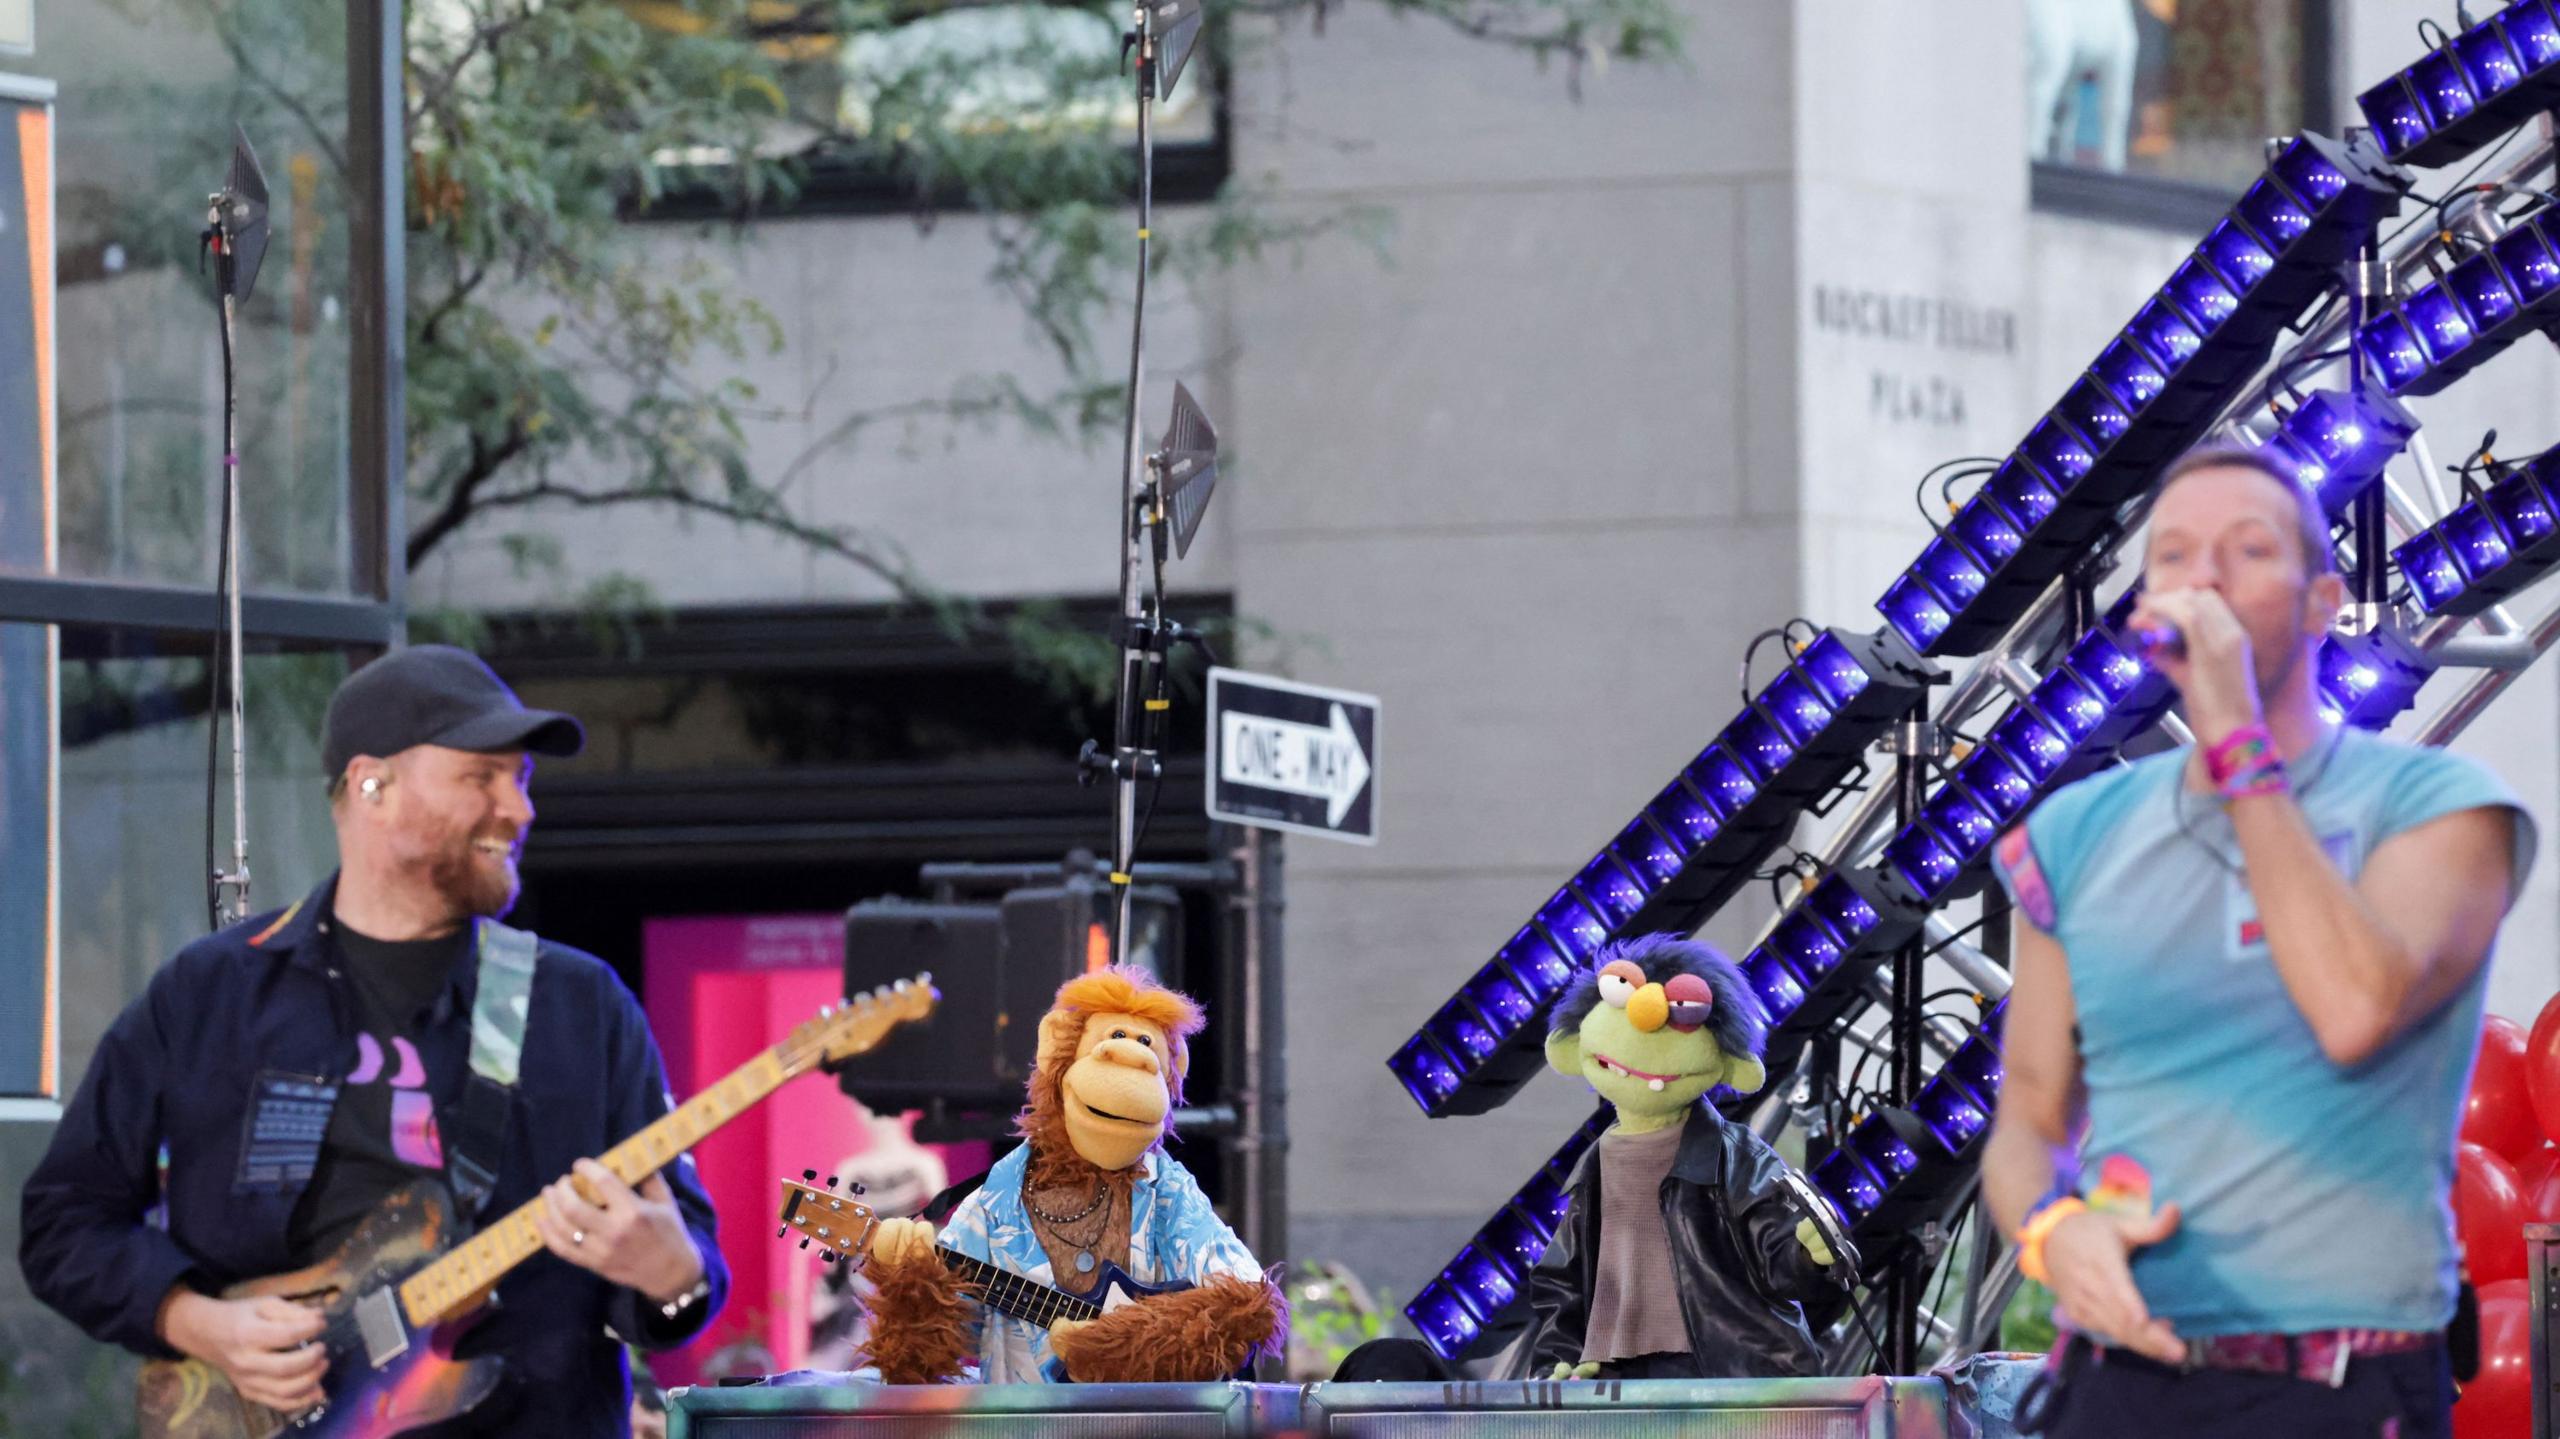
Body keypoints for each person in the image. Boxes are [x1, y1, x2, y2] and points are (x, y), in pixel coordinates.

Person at [20, 645, 728, 1437]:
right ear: (371, 784)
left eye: (521, 780)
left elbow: (685, 1279)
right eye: (482, 776)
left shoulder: (579, 1004)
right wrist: (193, 1318)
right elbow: (64, 1220)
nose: (519, 809)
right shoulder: (211, 994)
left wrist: (674, 1275)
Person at [1982, 446, 2534, 1438]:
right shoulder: (2068, 835)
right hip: (2123, 1376)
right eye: (2173, 555)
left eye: (2244, 550)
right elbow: (2027, 1111)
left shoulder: (2437, 806)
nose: (2203, 577)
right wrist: (2052, 1231)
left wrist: (2233, 728)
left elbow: (2352, 1010)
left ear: (2323, 600)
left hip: (2339, 1382)